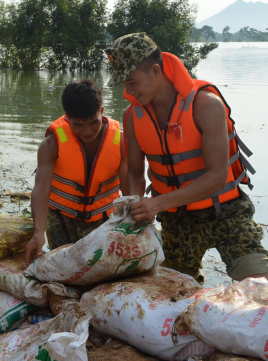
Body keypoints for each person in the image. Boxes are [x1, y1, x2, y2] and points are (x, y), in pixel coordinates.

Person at [107, 32, 267, 283]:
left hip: (225, 211)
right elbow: (135, 173)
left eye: (132, 82)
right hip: (176, 219)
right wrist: (135, 208)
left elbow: (217, 177)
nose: (128, 91)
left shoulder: (206, 104)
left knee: (258, 283)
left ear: (156, 71)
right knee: (171, 293)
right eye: (123, 85)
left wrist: (157, 204)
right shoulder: (132, 116)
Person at [25, 80, 127, 265]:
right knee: (63, 267)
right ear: (67, 117)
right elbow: (40, 189)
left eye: (93, 122)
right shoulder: (51, 144)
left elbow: (130, 186)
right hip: (61, 218)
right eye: (78, 124)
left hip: (102, 219)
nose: (87, 131)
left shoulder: (120, 142)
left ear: (102, 112)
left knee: (98, 269)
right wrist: (38, 233)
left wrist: (131, 223)